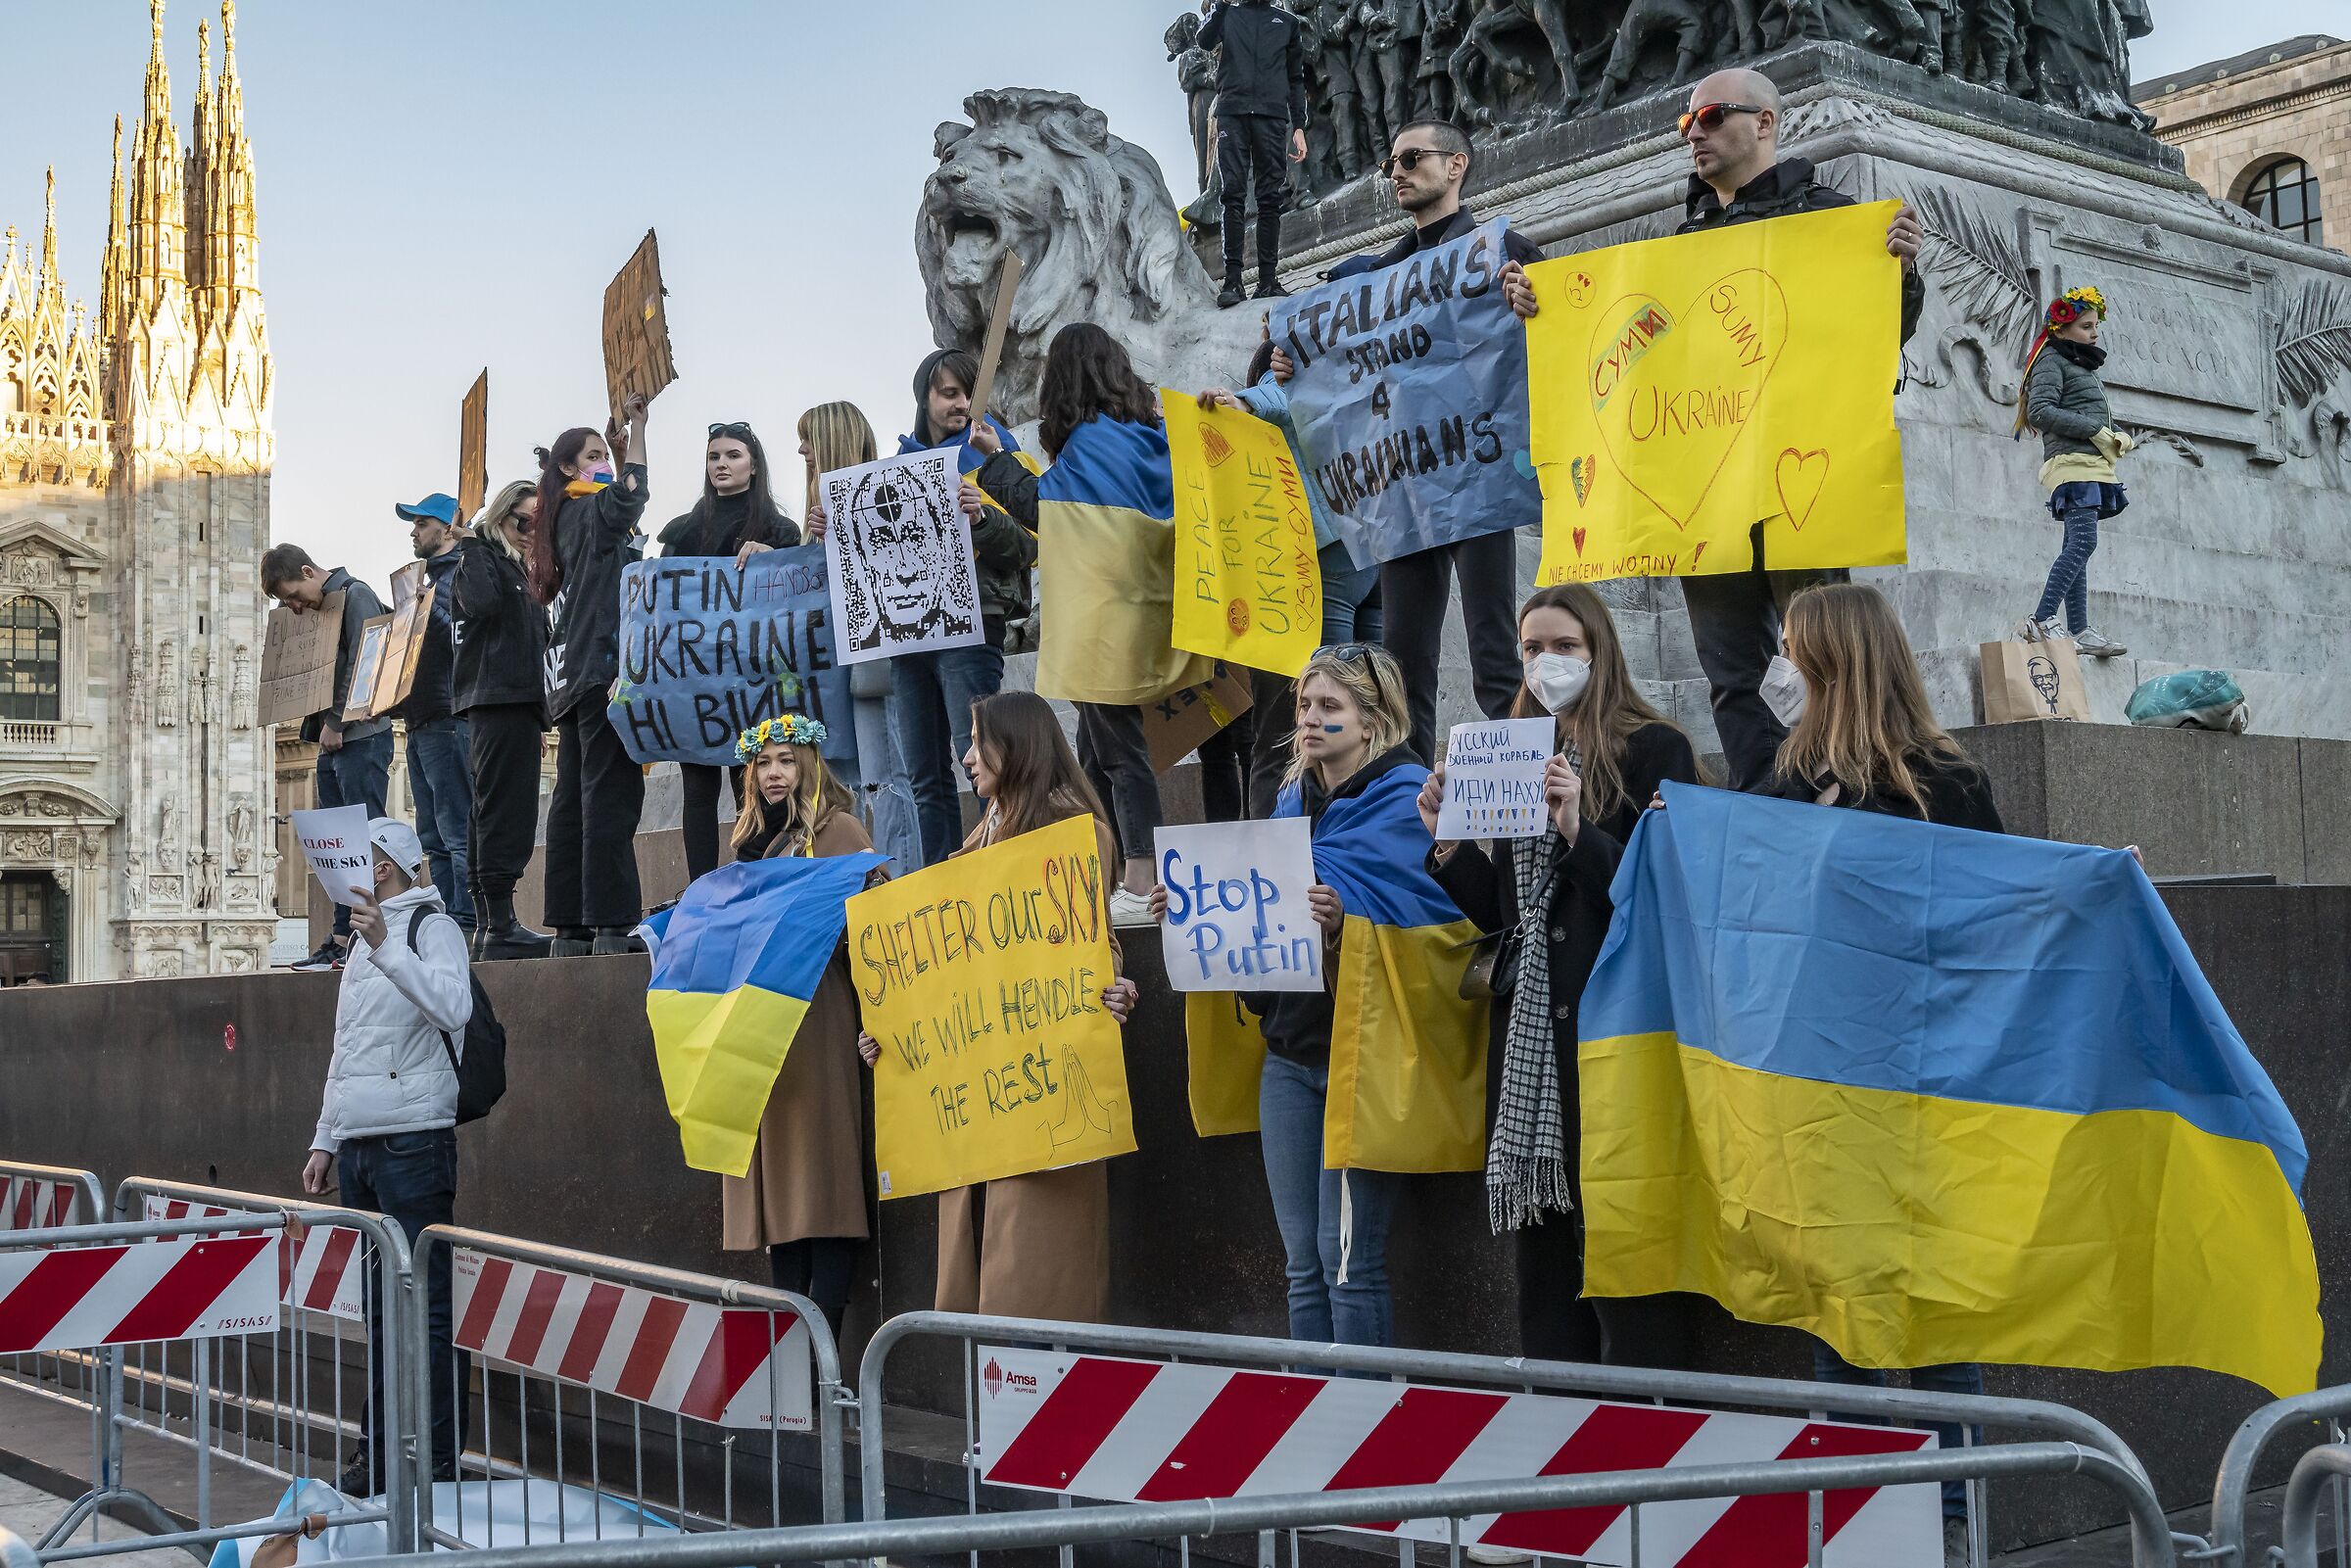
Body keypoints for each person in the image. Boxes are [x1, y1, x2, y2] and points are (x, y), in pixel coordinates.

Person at [1543, 67, 1924, 791]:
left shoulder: (1831, 217)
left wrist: (1901, 274)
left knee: (1822, 648)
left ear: (1767, 124)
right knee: (1728, 667)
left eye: (1712, 116)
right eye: (1686, 123)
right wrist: (1546, 309)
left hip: (1796, 477)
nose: (1695, 133)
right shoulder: (1679, 242)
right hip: (1704, 488)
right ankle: (1760, 799)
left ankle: (1850, 787)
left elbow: (1879, 340)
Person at [1749, 581, 2000, 1559]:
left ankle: (1953, 1522)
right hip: (1822, 1086)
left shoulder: (1950, 781)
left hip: (1925, 1081)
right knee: (1837, 1314)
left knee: (1935, 1314)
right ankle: (1850, 1520)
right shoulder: (1781, 780)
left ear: (1829, 663)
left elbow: (1994, 917)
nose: (1778, 668)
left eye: (1790, 650)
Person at [1418, 586, 1702, 1366]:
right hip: (1535, 1042)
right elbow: (1507, 912)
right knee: (1545, 1261)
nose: (1545, 662)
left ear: (1599, 650)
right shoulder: (1509, 749)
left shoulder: (1657, 750)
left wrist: (1581, 828)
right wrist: (1447, 846)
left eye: (1563, 646)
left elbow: (1674, 891)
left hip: (1619, 1031)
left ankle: (1654, 1425)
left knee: (1624, 1244)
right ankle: (1559, 1433)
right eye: (1531, 648)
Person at [1153, 642, 1428, 1348]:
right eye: (1305, 704)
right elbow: (1253, 932)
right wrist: (1186, 909)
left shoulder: (1408, 802)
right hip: (1289, 1059)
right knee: (1303, 1265)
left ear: (1372, 721)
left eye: (1329, 706)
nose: (1308, 718)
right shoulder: (1284, 802)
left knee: (1350, 1264)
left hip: (1360, 1059)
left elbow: (1433, 923)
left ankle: (1364, 1435)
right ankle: (1313, 1429)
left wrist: (1348, 922)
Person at [859, 690, 1138, 1321]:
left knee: (1035, 1279)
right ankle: (1001, 1410)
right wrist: (891, 1029)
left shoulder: (1077, 835)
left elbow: (1094, 942)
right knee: (981, 1282)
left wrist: (1113, 984)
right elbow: (948, 974)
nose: (964, 758)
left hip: (1043, 1086)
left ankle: (1045, 1410)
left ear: (1017, 747)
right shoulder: (978, 842)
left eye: (978, 742)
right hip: (977, 1094)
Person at [1271, 119, 1543, 766]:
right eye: (1391, 160)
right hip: (1403, 494)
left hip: (1478, 480)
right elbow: (1295, 339)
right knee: (1403, 667)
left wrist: (1537, 303)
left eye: (1412, 158)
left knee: (1495, 655)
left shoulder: (1499, 251)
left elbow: (1564, 325)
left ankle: (1536, 798)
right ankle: (1412, 819)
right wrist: (1283, 361)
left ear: (1457, 166)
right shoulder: (1374, 276)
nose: (1397, 170)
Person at [968, 325, 1208, 924]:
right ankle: (1094, 868)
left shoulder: (1091, 443)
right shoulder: (1147, 439)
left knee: (1122, 754)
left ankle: (1139, 881)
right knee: (1093, 753)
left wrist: (995, 459)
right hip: (1145, 614)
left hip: (1101, 625)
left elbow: (1043, 508)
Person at [299, 818, 471, 1494]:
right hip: (363, 1145)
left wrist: (388, 948)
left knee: (425, 1309)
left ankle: (432, 1461)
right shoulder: (357, 944)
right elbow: (348, 1048)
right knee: (378, 1309)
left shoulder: (433, 926)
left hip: (415, 1139)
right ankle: (376, 1455)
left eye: (356, 859)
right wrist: (325, 1137)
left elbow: (453, 1007)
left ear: (381, 868)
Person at [720, 715, 876, 1344]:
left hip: (819, 1017)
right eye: (764, 763)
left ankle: (826, 1356)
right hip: (762, 1026)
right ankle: (791, 1354)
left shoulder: (840, 830)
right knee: (781, 1192)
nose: (775, 772)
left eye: (787, 759)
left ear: (811, 764)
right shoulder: (748, 844)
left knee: (825, 1185)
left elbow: (874, 925)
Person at [1199, 333, 1385, 816]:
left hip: (1316, 569)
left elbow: (1277, 394)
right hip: (1371, 553)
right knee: (1369, 709)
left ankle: (1285, 851)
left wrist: (1242, 397)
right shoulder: (1351, 384)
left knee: (1294, 730)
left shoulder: (1281, 385)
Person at [890, 350, 1037, 867]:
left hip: (973, 627)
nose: (961, 404)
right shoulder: (897, 469)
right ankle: (941, 886)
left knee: (980, 759)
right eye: (949, 393)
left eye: (969, 393)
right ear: (924, 399)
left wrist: (981, 521)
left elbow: (1030, 545)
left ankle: (1000, 876)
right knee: (924, 777)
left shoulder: (1002, 454)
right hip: (907, 636)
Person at [528, 396, 651, 957]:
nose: (605, 462)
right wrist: (640, 432)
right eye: (595, 455)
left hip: (572, 678)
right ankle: (610, 924)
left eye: (606, 454)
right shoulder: (591, 511)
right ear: (567, 468)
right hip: (603, 671)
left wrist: (616, 454)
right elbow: (630, 498)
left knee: (573, 800)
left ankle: (570, 929)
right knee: (611, 797)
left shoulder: (559, 522)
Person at [656, 421, 802, 882]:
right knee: (697, 789)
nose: (722, 463)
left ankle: (755, 877)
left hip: (753, 680)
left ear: (754, 465)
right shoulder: (680, 532)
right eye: (714, 456)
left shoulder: (780, 529)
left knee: (754, 782)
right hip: (695, 680)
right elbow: (657, 606)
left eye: (733, 455)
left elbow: (795, 596)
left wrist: (773, 557)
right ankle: (700, 888)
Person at [797, 402, 922, 874]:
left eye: (809, 439)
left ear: (831, 439)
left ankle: (900, 884)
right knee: (844, 783)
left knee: (885, 779)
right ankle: (851, 886)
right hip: (833, 674)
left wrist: (846, 534)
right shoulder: (815, 515)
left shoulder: (884, 492)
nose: (802, 450)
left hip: (874, 664)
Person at [264, 545, 395, 973]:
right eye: (286, 603)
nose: (294, 607)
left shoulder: (356, 595)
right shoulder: (320, 610)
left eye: (294, 596)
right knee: (337, 846)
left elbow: (367, 660)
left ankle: (369, 931)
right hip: (331, 743)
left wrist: (336, 721)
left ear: (308, 571)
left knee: (364, 839)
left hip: (361, 738)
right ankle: (341, 936)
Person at [451, 481, 552, 960]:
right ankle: (497, 921)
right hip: (496, 698)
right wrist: (471, 544)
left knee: (499, 807)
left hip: (518, 700)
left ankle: (494, 923)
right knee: (499, 811)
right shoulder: (482, 558)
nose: (534, 531)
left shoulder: (519, 569)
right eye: (527, 521)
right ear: (504, 515)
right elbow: (482, 605)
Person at [2015, 286, 2131, 656]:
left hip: (2090, 463)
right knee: (2084, 543)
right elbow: (2040, 411)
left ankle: (2079, 629)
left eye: (2095, 325)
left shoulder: (2080, 362)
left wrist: (2115, 435)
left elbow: (2083, 412)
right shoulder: (2052, 359)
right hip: (2071, 465)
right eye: (2085, 325)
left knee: (2075, 545)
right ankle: (2041, 619)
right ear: (2060, 329)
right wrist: (2095, 431)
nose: (2094, 332)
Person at [392, 494, 474, 935]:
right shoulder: (422, 579)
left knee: (456, 827)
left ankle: (466, 919)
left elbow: (462, 638)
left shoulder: (462, 571)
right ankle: (445, 920)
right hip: (421, 719)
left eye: (421, 524)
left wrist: (425, 610)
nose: (413, 532)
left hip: (448, 715)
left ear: (446, 529)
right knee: (433, 836)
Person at [1199, 0, 1310, 308]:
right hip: (1232, 112)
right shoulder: (1228, 14)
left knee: (1269, 196)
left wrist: (1299, 126)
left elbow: (1296, 78)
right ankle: (1233, 279)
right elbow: (1204, 41)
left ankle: (1268, 279)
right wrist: (1218, 8)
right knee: (1232, 194)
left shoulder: (1287, 23)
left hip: (1271, 116)